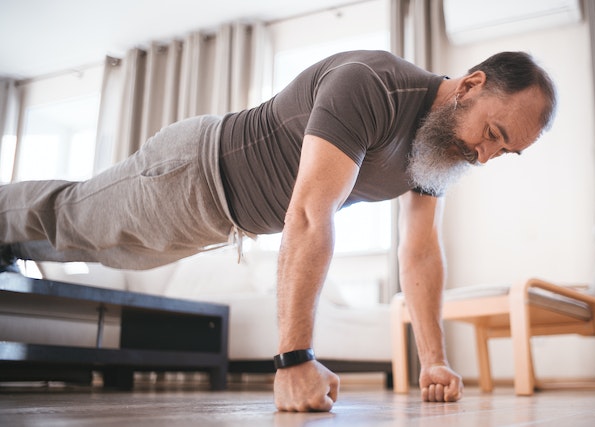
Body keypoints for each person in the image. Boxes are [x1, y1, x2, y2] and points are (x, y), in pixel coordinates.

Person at [0, 50, 556, 411]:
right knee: (70, 216)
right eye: (493, 132)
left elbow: (419, 251)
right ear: (471, 85)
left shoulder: (441, 150)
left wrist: (432, 358)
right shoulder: (373, 86)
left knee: (93, 248)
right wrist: (293, 361)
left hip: (223, 220)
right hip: (192, 173)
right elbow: (311, 215)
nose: (485, 156)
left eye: (503, 151)